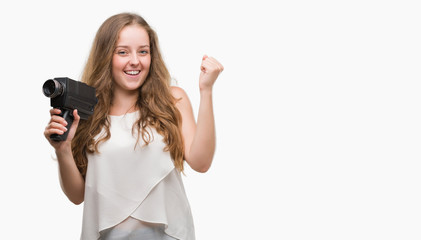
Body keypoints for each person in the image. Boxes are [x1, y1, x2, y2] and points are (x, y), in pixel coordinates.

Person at [44, 12, 223, 240]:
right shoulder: (87, 112)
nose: (135, 61)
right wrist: (63, 150)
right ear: (106, 56)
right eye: (122, 52)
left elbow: (201, 162)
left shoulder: (172, 100)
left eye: (143, 51)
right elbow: (77, 195)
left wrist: (206, 91)